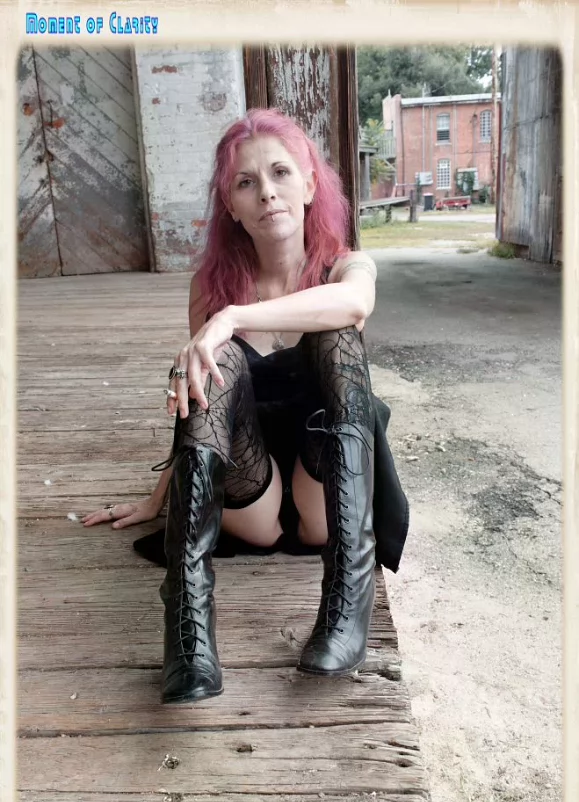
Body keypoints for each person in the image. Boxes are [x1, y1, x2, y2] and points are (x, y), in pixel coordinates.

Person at [82, 108, 409, 705]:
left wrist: (232, 317)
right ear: (230, 205)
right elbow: (199, 401)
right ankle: (187, 622)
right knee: (215, 359)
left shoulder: (345, 265)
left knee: (338, 336)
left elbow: (355, 304)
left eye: (281, 173)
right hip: (253, 494)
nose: (267, 193)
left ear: (309, 184)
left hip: (324, 495)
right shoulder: (210, 287)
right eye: (245, 182)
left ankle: (348, 593)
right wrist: (157, 499)